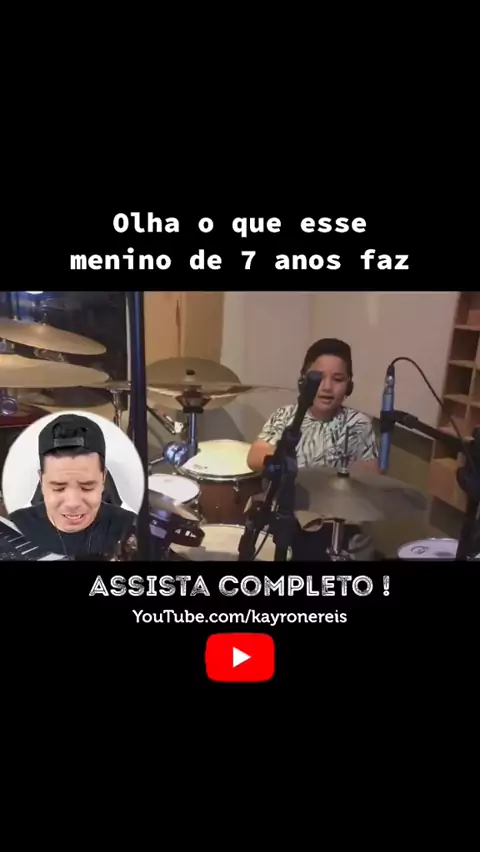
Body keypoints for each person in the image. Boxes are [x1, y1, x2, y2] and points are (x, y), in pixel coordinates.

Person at [246, 338, 379, 560]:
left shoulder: (358, 424)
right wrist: (291, 468)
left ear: (349, 386)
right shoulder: (285, 415)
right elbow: (254, 456)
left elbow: (370, 477)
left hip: (330, 524)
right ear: (303, 381)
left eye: (338, 379)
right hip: (283, 515)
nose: (327, 387)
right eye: (319, 378)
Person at [8, 414, 137, 558]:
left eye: (87, 487)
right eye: (59, 488)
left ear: (103, 479)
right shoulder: (15, 526)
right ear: (41, 481)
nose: (73, 503)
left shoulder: (128, 527)